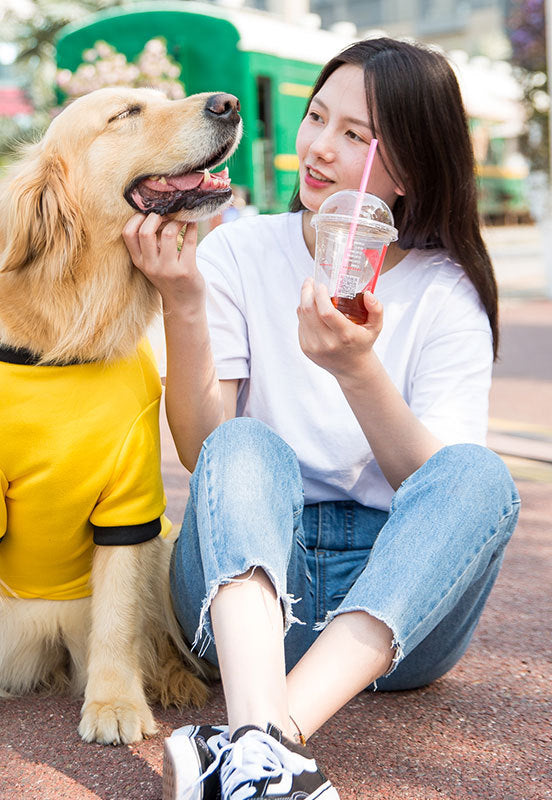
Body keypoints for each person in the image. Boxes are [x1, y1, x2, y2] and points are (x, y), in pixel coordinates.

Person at [122, 38, 520, 800]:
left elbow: (433, 490)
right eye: (316, 118)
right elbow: (201, 450)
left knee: (479, 476)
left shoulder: (448, 294)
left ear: (408, 169)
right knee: (244, 439)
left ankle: (253, 743)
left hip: (398, 612)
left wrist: (356, 369)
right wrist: (182, 302)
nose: (319, 149)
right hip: (246, 599)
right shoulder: (239, 251)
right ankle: (267, 752)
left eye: (357, 137)